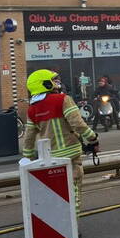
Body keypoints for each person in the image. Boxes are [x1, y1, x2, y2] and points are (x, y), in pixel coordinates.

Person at [22, 69, 98, 216]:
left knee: (57, 192)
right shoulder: (63, 99)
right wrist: (93, 138)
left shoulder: (32, 109)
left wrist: (28, 158)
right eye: (54, 80)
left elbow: (29, 137)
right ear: (45, 84)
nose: (57, 83)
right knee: (73, 191)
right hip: (71, 154)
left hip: (49, 157)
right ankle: (72, 225)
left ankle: (57, 222)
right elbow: (78, 124)